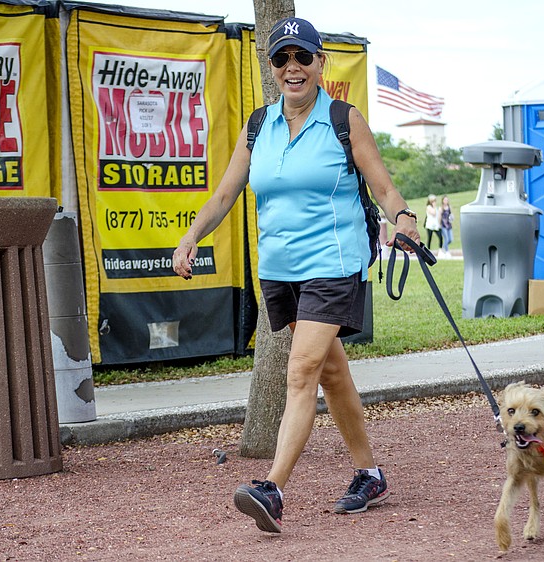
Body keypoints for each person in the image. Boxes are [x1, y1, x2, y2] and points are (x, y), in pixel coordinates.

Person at [171, 17, 421, 534]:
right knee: (330, 372)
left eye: (302, 57)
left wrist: (404, 219)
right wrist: (192, 235)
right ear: (273, 66)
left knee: (302, 371)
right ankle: (370, 473)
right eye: (282, 58)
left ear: (319, 63)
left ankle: (272, 488)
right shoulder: (258, 126)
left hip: (332, 264)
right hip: (279, 271)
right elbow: (224, 194)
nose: (293, 67)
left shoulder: (343, 119)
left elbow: (385, 188)